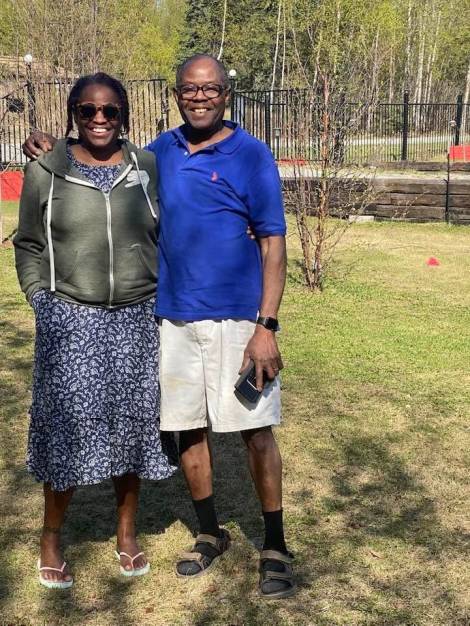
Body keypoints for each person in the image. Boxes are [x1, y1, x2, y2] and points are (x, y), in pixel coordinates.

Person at [23, 54, 295, 599]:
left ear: (226, 94)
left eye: (210, 88)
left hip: (237, 317)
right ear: (175, 95)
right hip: (169, 317)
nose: (200, 97)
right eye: (190, 89)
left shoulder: (252, 154)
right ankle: (210, 532)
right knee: (187, 428)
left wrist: (266, 325)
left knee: (255, 430)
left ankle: (275, 544)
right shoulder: (157, 155)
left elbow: (272, 241)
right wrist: (53, 146)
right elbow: (96, 158)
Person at [15, 72, 177, 589]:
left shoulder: (145, 166)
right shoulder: (46, 169)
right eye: (88, 110)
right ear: (74, 115)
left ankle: (126, 532)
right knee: (67, 429)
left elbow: (167, 231)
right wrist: (41, 299)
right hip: (71, 319)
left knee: (132, 426)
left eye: (110, 110)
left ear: (124, 114)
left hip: (137, 318)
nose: (99, 119)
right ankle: (50, 537)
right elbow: (28, 243)